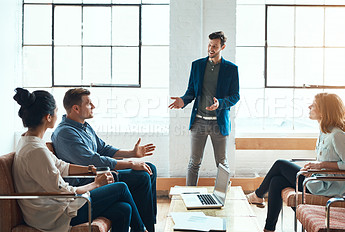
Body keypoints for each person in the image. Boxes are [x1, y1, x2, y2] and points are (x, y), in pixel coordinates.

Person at [12, 88, 147, 232]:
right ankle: (142, 230)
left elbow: (61, 166)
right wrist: (96, 184)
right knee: (121, 188)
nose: (59, 115)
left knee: (123, 209)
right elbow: (63, 191)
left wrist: (90, 169)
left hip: (56, 207)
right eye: (56, 111)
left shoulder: (30, 142)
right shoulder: (36, 150)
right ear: (48, 117)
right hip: (53, 216)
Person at [246, 93, 345, 232]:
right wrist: (314, 168)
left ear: (324, 111)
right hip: (319, 180)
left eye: (314, 105)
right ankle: (268, 229)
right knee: (276, 181)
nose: (309, 106)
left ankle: (258, 195)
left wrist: (321, 166)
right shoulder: (324, 132)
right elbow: (328, 160)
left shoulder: (337, 135)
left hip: (330, 187)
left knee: (280, 164)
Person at [51, 88, 157, 232]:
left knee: (150, 168)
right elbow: (94, 161)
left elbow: (104, 149)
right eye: (88, 103)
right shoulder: (65, 133)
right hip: (88, 179)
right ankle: (144, 228)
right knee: (142, 177)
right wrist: (131, 163)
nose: (93, 106)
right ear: (76, 108)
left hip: (98, 172)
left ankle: (149, 224)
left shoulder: (84, 127)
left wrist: (132, 153)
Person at [169, 31, 240, 186]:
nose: (211, 48)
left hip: (219, 123)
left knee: (222, 163)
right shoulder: (197, 65)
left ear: (223, 47)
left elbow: (236, 96)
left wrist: (220, 103)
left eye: (215, 46)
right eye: (209, 45)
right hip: (199, 122)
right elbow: (191, 92)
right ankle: (189, 195)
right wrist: (183, 100)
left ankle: (223, 197)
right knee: (194, 162)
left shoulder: (231, 69)